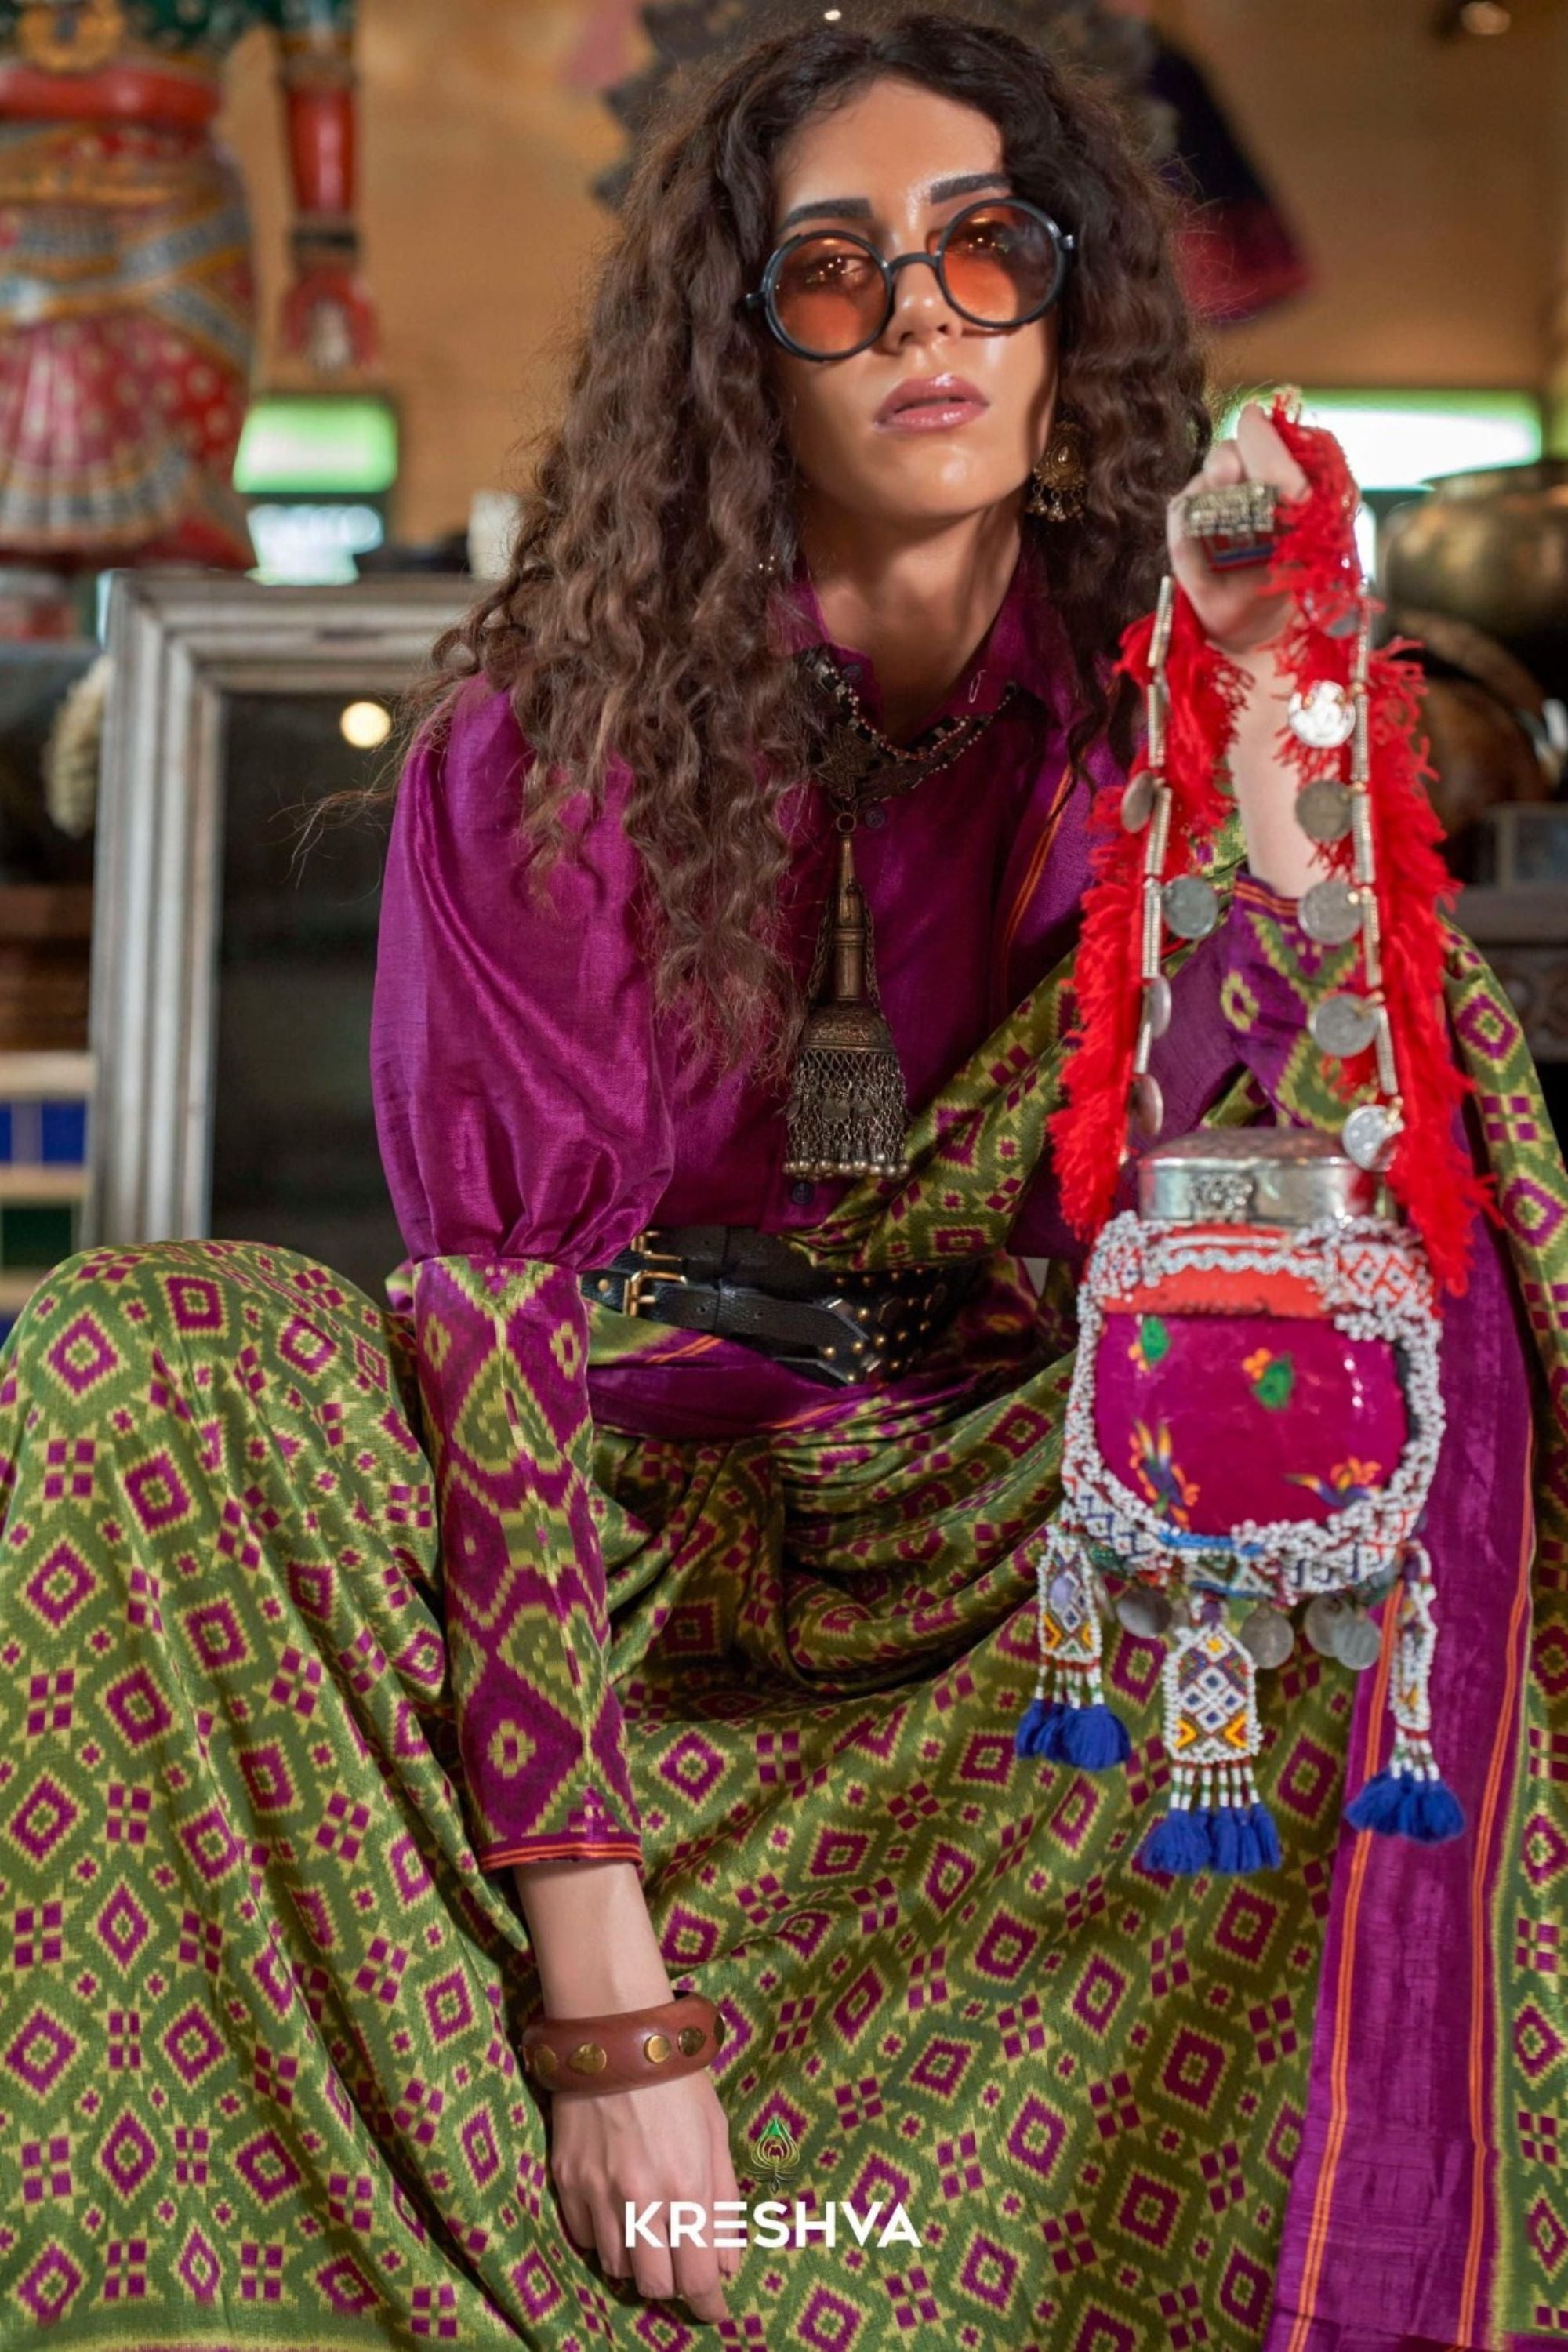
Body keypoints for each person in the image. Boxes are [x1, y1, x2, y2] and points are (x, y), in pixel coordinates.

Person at [0, 9, 1563, 2347]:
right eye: (835, 272)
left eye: (982, 251)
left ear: (1069, 306)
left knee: (1419, 1249)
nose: (921, 319)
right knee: (137, 1359)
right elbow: (499, 1333)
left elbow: (1297, 1207)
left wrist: (1258, 766)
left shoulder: (1155, 701)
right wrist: (614, 2022)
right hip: (618, 1522)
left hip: (1008, 1542)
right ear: (740, 356)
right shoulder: (554, 749)